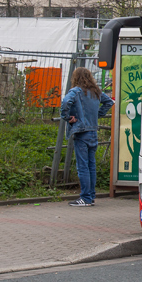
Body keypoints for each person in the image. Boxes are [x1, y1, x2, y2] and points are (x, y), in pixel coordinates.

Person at [60, 67, 114, 207]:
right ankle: (90, 196)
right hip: (93, 131)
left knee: (82, 166)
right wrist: (98, 115)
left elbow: (65, 102)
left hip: (81, 131)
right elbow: (109, 102)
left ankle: (85, 198)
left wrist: (67, 117)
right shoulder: (95, 92)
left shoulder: (76, 91)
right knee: (91, 165)